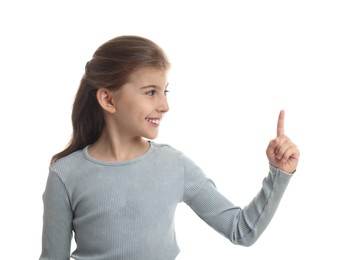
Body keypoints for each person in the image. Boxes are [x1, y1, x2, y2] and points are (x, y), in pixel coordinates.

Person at [39, 35, 300, 260]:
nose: (164, 105)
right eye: (151, 92)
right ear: (108, 99)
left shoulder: (174, 165)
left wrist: (278, 174)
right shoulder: (65, 174)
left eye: (165, 91)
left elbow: (241, 230)